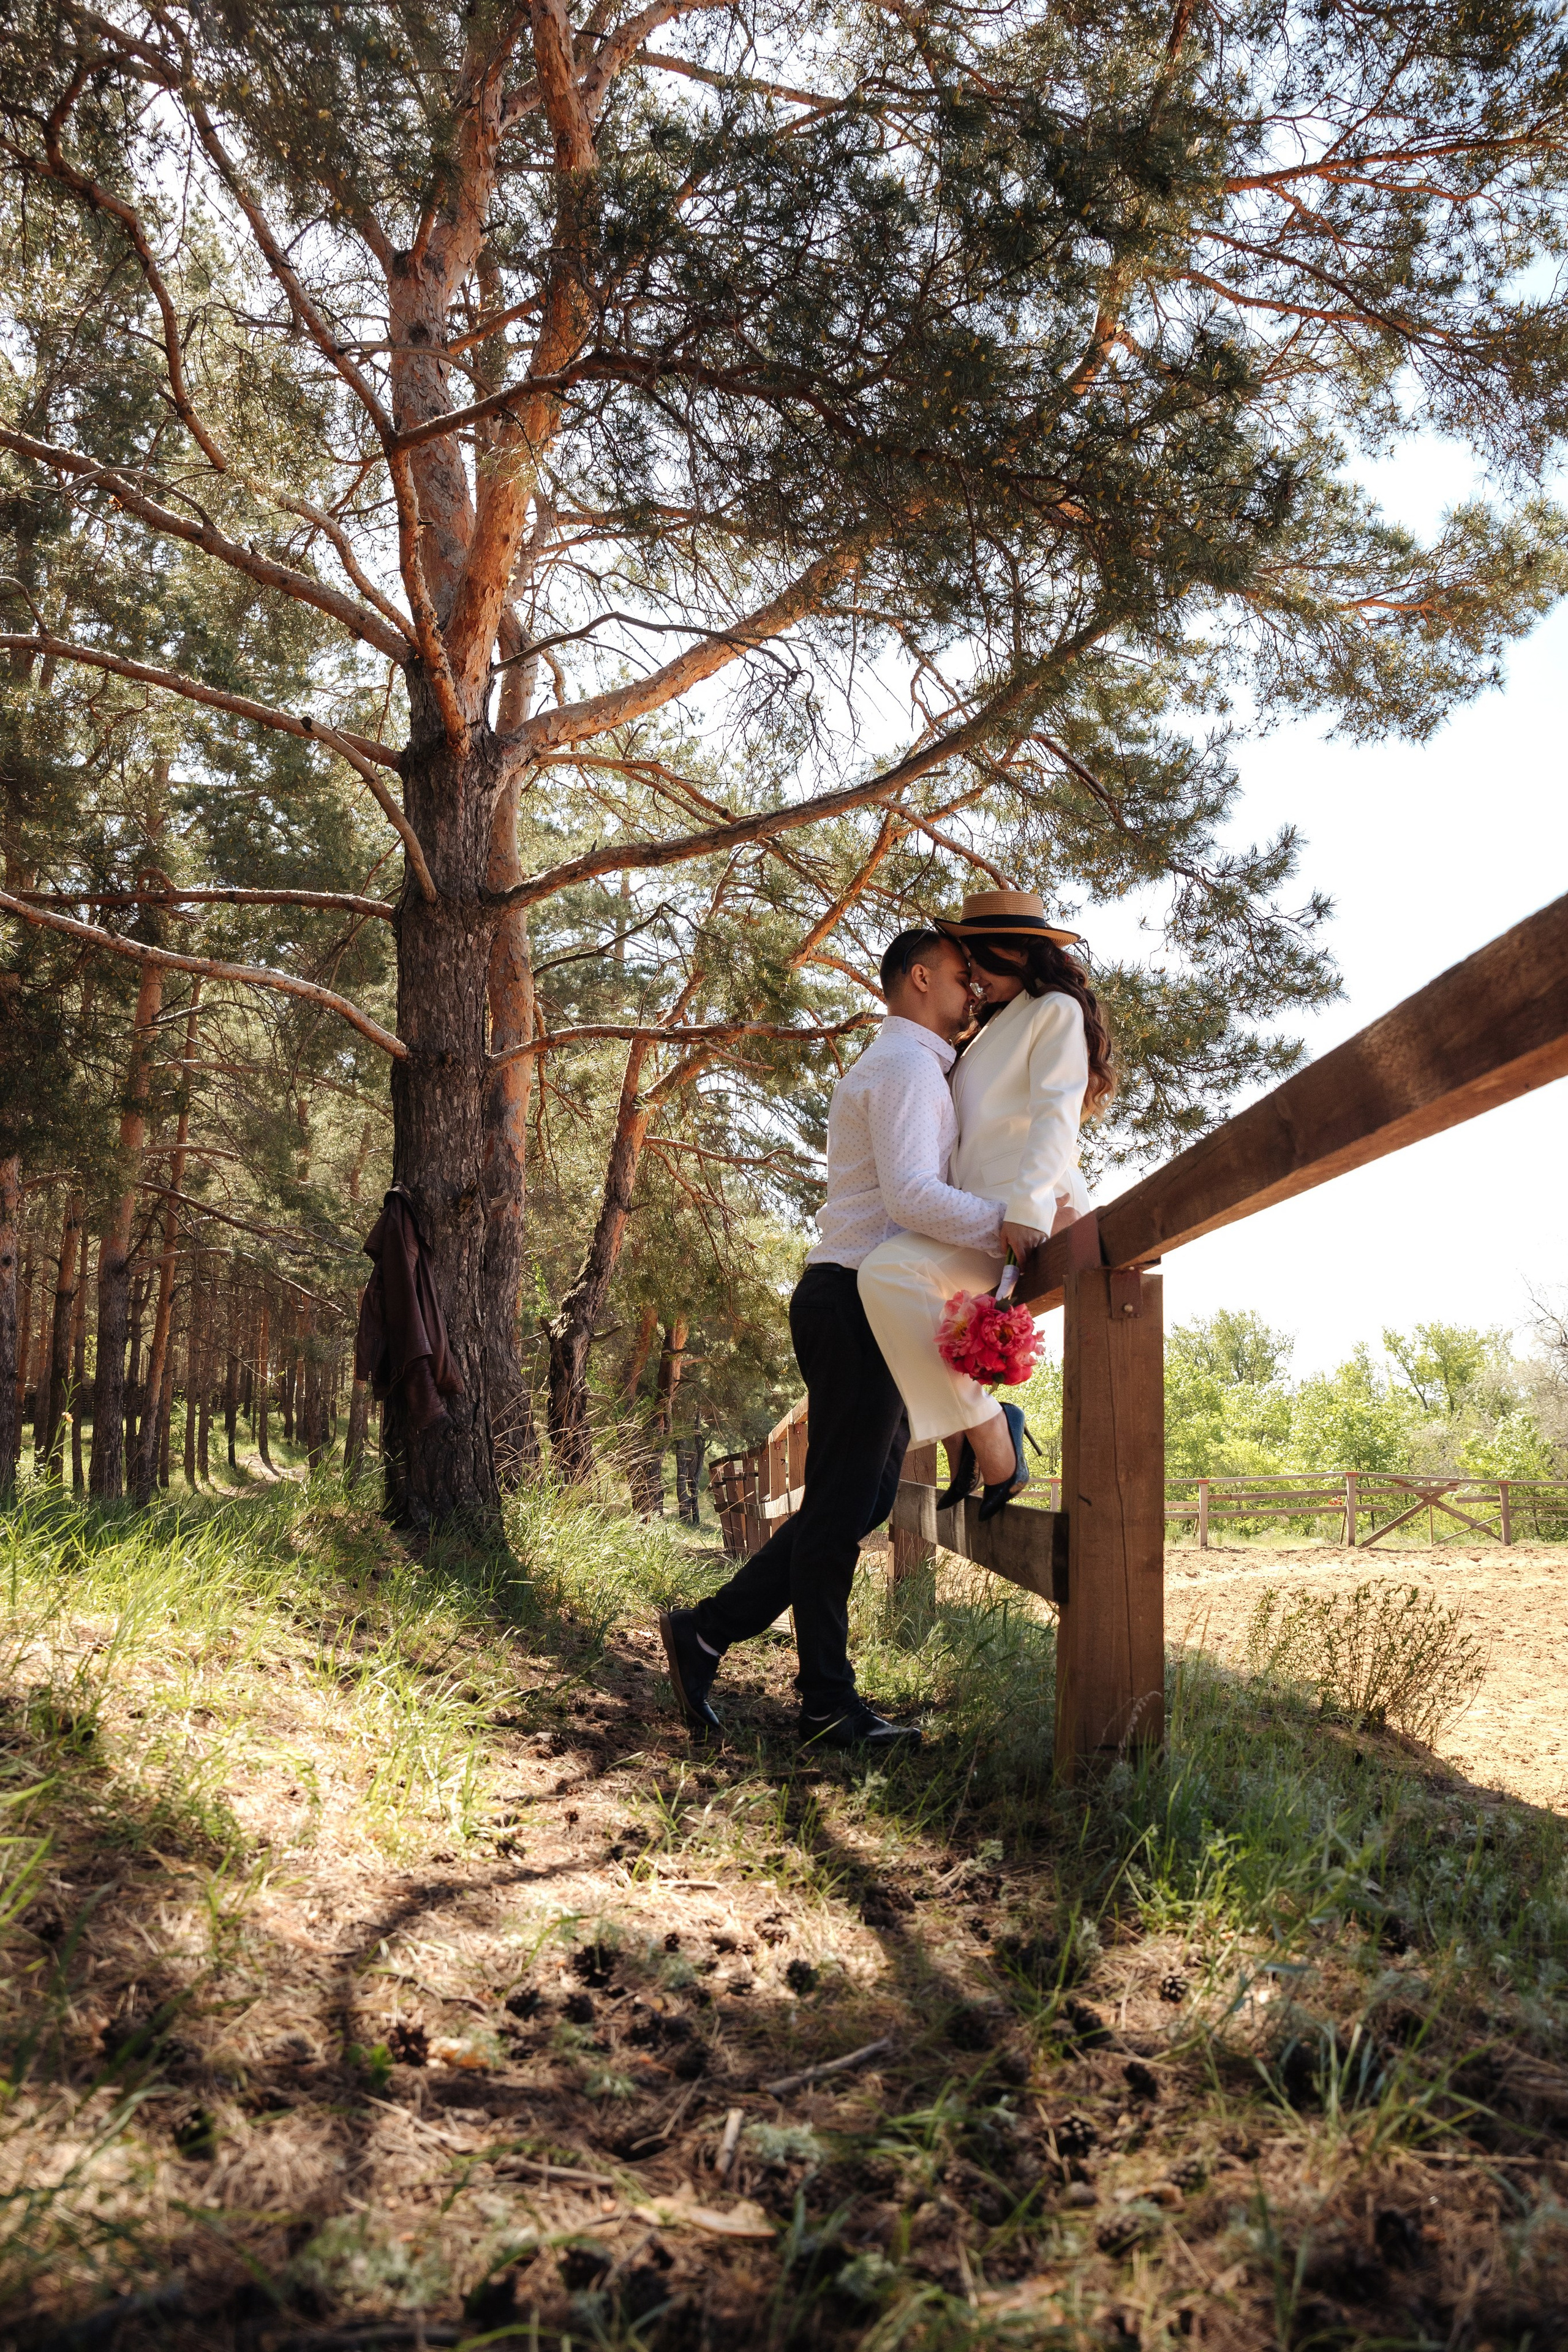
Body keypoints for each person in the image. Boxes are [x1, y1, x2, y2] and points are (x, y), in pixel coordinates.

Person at [658, 925, 1009, 1751]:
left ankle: (713, 1637)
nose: (974, 996)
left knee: (862, 1501)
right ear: (920, 979)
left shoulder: (918, 1068)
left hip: (863, 1301)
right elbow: (916, 1199)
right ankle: (818, 1697)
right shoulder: (905, 1068)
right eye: (965, 980)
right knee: (848, 1504)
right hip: (855, 1299)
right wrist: (1012, 1227)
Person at [856, 889, 1115, 1520]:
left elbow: (1057, 1115)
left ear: (1015, 952)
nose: (972, 975)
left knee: (887, 1273)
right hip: (979, 1211)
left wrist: (1028, 1208)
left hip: (1027, 1208)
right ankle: (980, 1432)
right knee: (887, 1277)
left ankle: (989, 1440)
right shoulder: (989, 1030)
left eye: (978, 959)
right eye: (966, 962)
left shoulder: (1052, 1010)